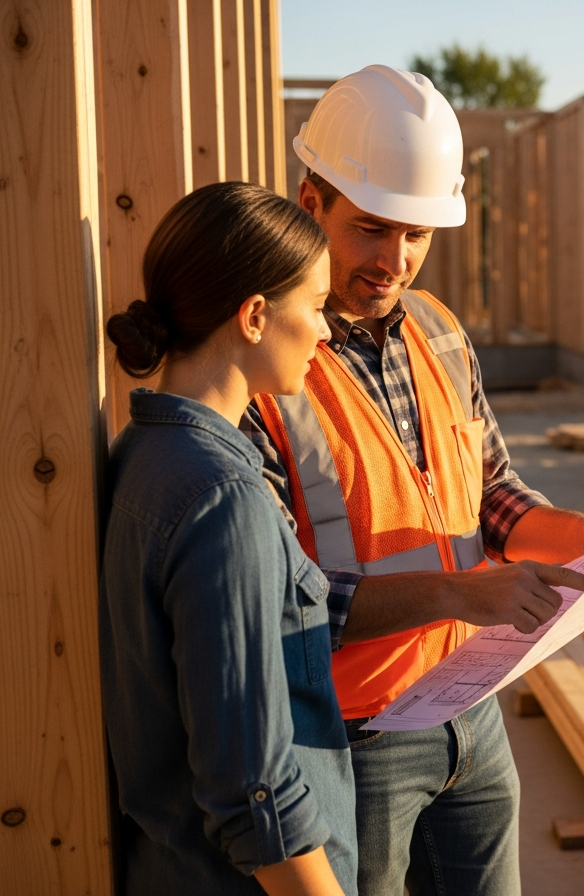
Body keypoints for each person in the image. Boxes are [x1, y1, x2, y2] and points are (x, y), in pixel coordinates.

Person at [241, 65, 584, 895]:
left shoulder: (436, 329)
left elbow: (490, 492)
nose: (395, 261)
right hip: (351, 733)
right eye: (372, 229)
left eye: (418, 235)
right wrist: (464, 595)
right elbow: (285, 603)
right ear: (310, 202)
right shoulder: (263, 363)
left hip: (469, 707)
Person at [100, 182, 356, 895]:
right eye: (317, 306)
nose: (327, 332)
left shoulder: (145, 452)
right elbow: (253, 792)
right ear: (254, 316)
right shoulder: (223, 497)